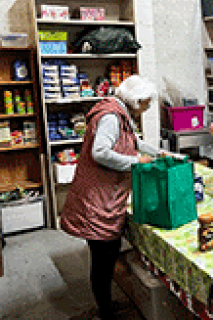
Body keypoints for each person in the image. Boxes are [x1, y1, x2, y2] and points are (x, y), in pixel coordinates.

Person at [60, 75, 168, 319]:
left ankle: (106, 305)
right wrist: (135, 161)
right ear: (136, 100)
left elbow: (133, 141)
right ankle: (105, 311)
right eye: (146, 103)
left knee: (109, 252)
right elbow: (100, 153)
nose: (147, 108)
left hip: (104, 194)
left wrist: (158, 153)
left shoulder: (119, 112)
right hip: (97, 199)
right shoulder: (110, 116)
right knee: (103, 258)